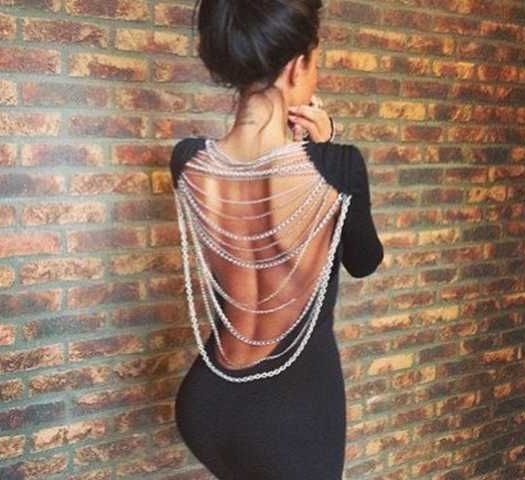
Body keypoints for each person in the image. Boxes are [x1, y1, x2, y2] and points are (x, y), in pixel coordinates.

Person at [169, 1, 384, 478]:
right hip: (290, 414)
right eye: (316, 61)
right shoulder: (338, 166)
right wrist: (326, 148)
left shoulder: (188, 161)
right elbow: (365, 260)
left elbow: (250, 187)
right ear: (295, 67)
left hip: (208, 399)